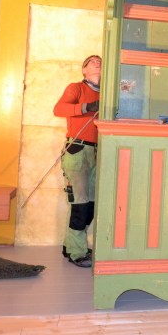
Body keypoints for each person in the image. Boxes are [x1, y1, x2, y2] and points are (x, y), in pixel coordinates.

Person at [53, 55, 101, 268]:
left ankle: (70, 245)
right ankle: (76, 252)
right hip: (78, 150)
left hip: (99, 152)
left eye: (100, 62)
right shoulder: (76, 88)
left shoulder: (107, 93)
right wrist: (86, 107)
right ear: (84, 70)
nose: (97, 63)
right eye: (92, 61)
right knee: (80, 205)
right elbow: (58, 109)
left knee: (90, 205)